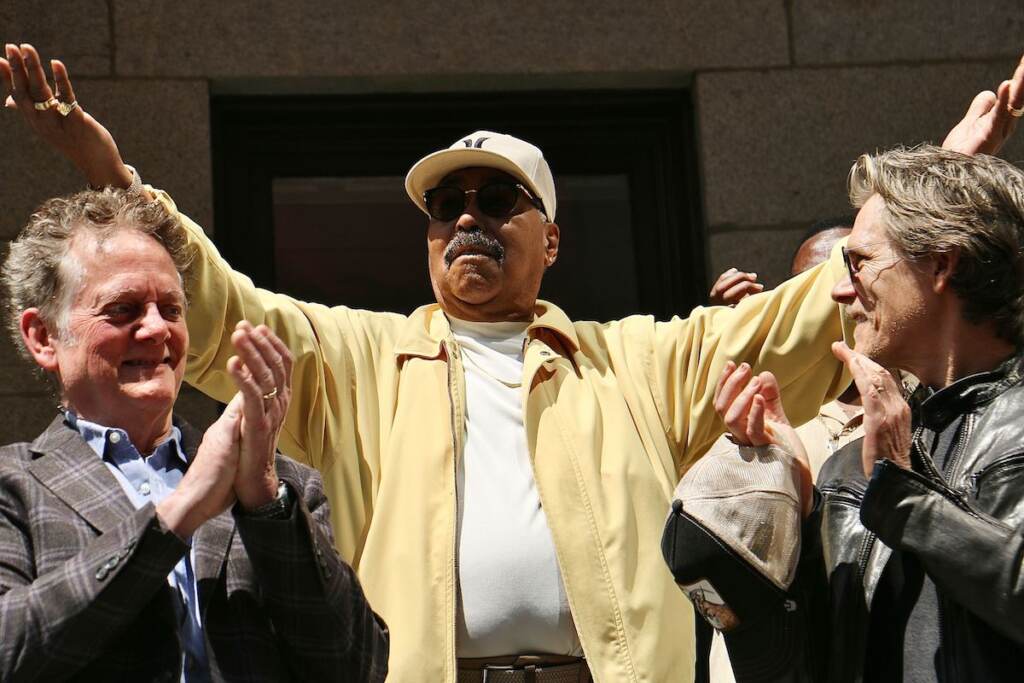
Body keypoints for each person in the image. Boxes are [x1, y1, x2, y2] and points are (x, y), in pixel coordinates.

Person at [3, 42, 1021, 683]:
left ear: (553, 242)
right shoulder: (362, 356)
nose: (468, 221)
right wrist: (112, 176)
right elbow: (216, 299)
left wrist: (943, 181)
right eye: (448, 207)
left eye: (499, 203)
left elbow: (826, 305)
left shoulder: (634, 360)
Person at [0, 188, 388, 681]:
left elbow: (358, 667)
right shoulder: (14, 484)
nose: (157, 330)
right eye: (124, 309)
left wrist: (266, 504)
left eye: (172, 309)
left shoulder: (281, 486)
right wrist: (177, 515)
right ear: (44, 337)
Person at [685, 144, 1024, 681]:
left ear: (942, 263)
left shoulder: (1012, 428)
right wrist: (778, 499)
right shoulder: (850, 467)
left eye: (859, 263)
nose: (841, 291)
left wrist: (907, 496)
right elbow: (801, 662)